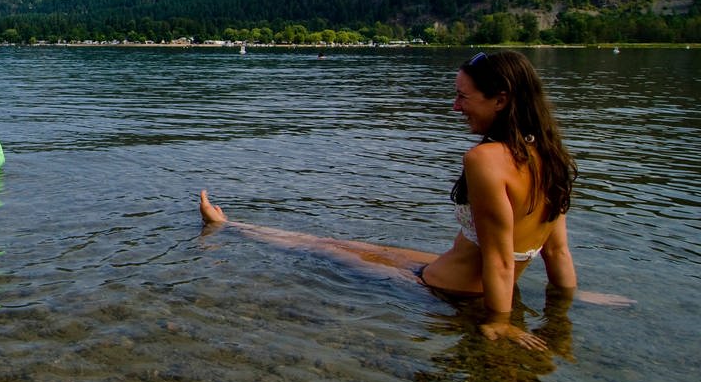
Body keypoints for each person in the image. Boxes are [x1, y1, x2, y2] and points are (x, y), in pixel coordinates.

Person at [199, 50, 626, 350]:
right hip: (457, 275)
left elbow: (497, 259)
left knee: (324, 247)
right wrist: (567, 301)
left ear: (501, 100)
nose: (455, 106)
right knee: (357, 247)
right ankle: (232, 225)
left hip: (445, 290)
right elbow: (556, 249)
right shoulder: (550, 156)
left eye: (463, 96)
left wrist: (499, 324)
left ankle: (228, 226)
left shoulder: (485, 159)